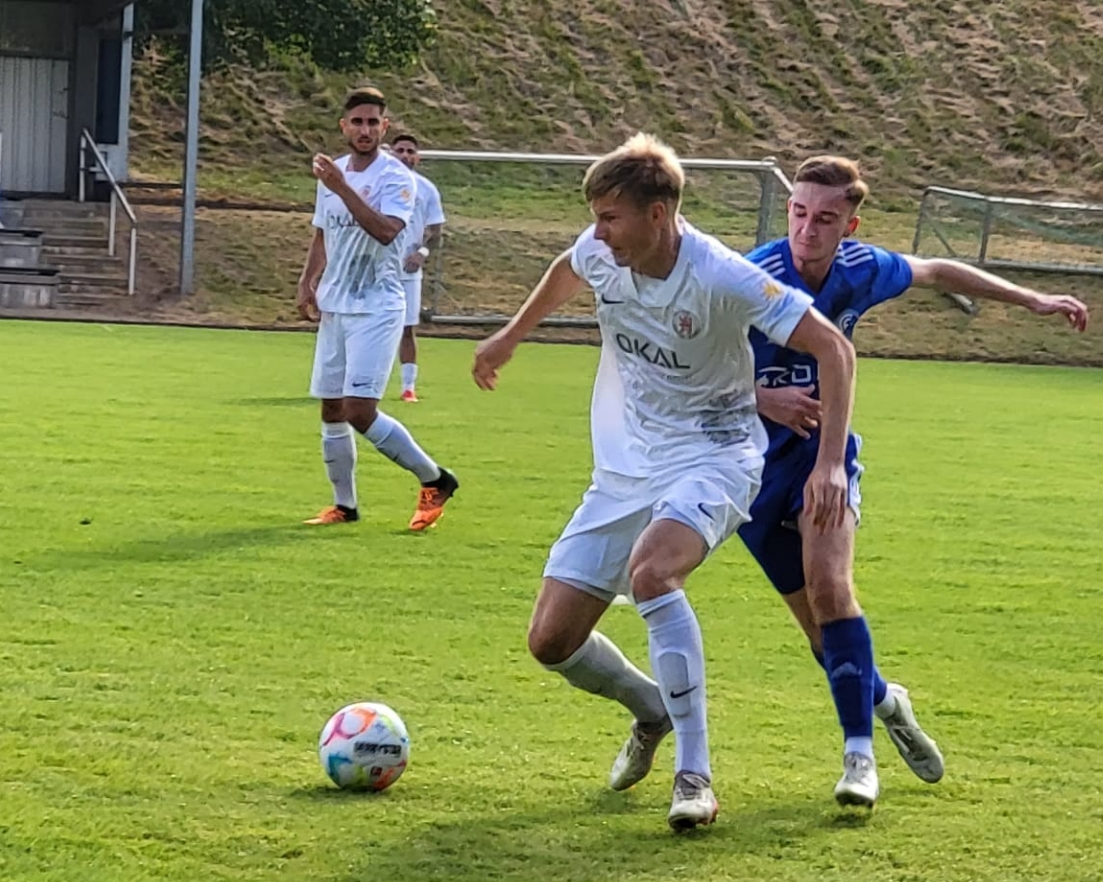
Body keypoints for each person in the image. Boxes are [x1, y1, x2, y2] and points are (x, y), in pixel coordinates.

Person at [471, 133, 859, 832]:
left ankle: (695, 773)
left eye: (609, 218)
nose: (598, 233)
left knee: (654, 573)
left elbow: (834, 347)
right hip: (627, 466)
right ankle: (651, 709)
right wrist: (510, 336)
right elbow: (568, 267)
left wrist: (829, 463)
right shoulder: (602, 251)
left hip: (715, 454)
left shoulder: (721, 275)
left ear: (658, 215)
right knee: (551, 642)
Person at [742, 155, 1088, 807]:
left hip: (823, 453)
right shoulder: (750, 278)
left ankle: (859, 758)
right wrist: (764, 398)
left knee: (833, 589)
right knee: (821, 635)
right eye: (798, 213)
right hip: (749, 465)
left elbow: (934, 271)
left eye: (825, 219)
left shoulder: (860, 268)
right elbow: (689, 369)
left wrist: (1031, 299)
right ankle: (886, 703)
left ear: (850, 225)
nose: (808, 230)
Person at [295, 87, 459, 532]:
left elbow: (386, 231)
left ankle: (435, 479)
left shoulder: (396, 177)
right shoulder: (333, 172)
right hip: (336, 304)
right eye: (357, 122)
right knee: (331, 408)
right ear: (344, 126)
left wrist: (341, 187)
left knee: (359, 410)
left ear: (384, 127)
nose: (365, 129)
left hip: (377, 305)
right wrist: (308, 281)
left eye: (373, 122)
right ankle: (344, 505)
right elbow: (323, 232)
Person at [387, 132, 444, 402]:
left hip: (408, 271)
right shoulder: (380, 183)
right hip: (379, 268)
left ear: (417, 157)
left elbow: (435, 230)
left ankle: (408, 387)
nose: (405, 156)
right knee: (367, 324)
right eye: (400, 150)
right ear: (391, 153)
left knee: (407, 328)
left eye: (410, 151)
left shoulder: (426, 189)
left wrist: (421, 252)